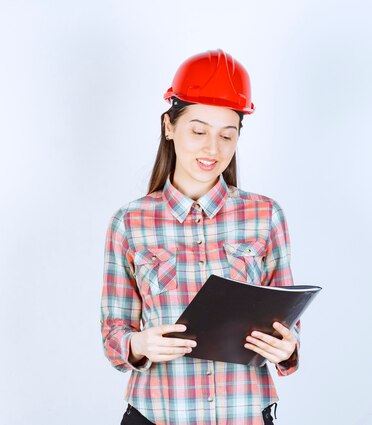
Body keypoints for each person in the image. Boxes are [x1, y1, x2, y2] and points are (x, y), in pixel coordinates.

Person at [100, 49, 300, 425]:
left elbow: (288, 328)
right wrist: (139, 344)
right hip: (158, 414)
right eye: (198, 131)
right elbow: (114, 332)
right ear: (169, 126)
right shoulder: (130, 222)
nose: (212, 149)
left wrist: (287, 348)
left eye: (227, 135)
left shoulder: (265, 216)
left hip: (244, 415)